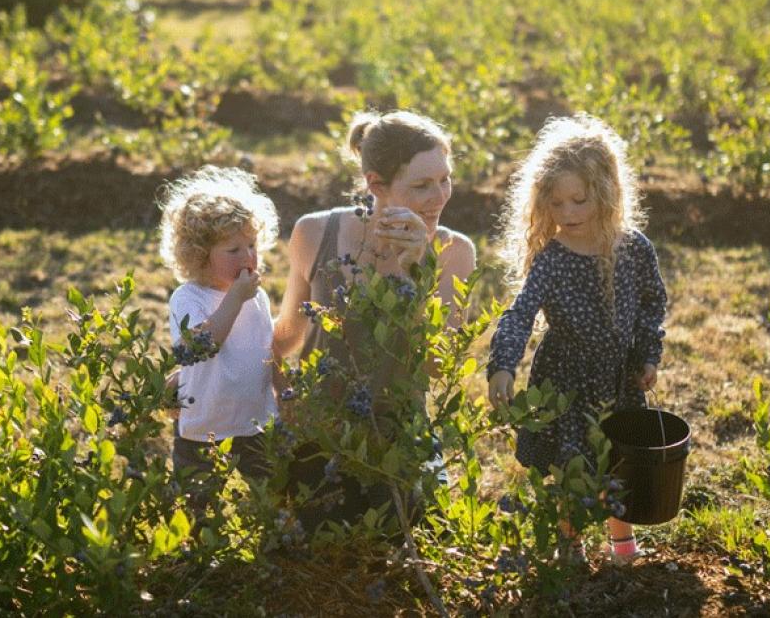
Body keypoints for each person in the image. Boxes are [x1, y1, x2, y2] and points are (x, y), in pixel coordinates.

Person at [271, 110, 476, 531]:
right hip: (320, 434)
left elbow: (436, 365)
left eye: (445, 179)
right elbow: (288, 335)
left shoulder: (454, 251)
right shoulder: (314, 233)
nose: (439, 197)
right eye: (421, 185)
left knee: (409, 538)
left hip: (397, 434)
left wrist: (418, 268)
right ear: (375, 184)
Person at [486, 114, 668, 564]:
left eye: (578, 201)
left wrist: (648, 353)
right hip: (567, 379)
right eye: (555, 203)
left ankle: (621, 543)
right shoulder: (553, 259)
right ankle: (570, 547)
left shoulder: (633, 248)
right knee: (572, 466)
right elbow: (520, 312)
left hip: (618, 377)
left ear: (606, 194)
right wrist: (503, 364)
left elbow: (652, 303)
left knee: (618, 460)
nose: (566, 214)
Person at [157, 165, 281, 495]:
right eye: (233, 250)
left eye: (253, 245)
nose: (249, 257)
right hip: (204, 424)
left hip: (254, 421)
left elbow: (267, 351)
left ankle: (275, 540)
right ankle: (196, 542)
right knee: (195, 500)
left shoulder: (258, 298)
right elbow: (201, 346)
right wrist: (236, 299)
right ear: (199, 255)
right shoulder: (188, 298)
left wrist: (284, 394)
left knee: (274, 494)